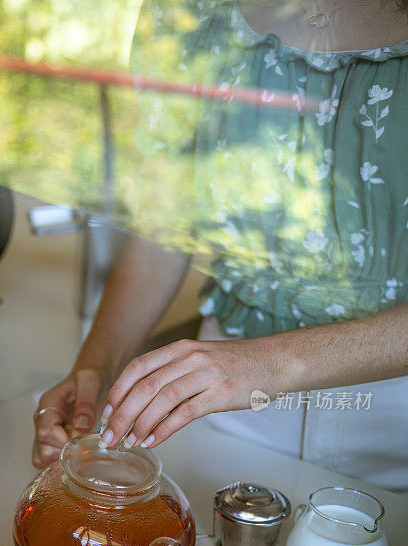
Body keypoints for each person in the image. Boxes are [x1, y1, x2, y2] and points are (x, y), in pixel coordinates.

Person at [33, 0, 408, 491]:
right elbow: (165, 227)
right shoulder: (190, 12)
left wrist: (264, 363)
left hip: (392, 419)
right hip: (224, 409)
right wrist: (96, 367)